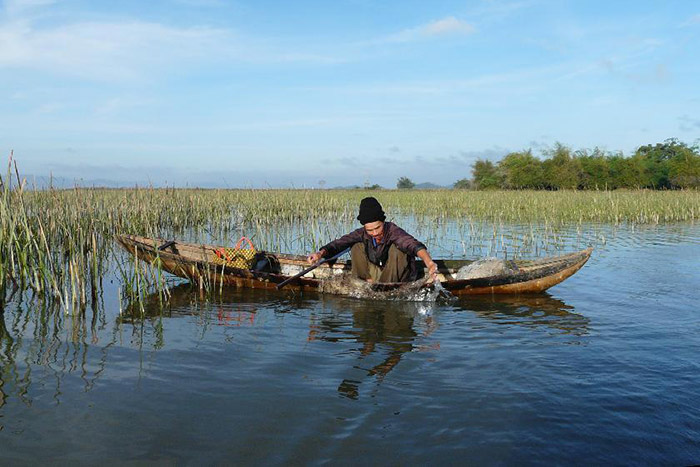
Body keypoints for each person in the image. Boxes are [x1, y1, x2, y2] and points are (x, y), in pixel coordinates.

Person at [307, 197, 439, 283]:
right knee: (356, 245)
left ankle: (384, 288)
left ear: (383, 222)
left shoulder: (393, 231)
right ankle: (366, 282)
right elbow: (340, 243)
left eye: (378, 228)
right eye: (370, 230)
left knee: (399, 248)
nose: (374, 233)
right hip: (376, 274)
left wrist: (430, 263)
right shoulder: (362, 233)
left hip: (397, 277)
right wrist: (320, 254)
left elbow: (413, 245)